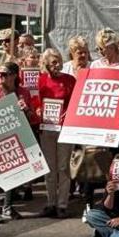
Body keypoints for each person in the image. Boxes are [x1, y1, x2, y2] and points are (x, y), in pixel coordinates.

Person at [0, 61, 37, 223]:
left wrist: (25, 109)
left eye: (4, 74)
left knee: (14, 172)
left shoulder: (23, 92)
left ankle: (8, 207)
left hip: (16, 138)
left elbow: (32, 117)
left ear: (14, 76)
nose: (0, 77)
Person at [35, 48, 75, 218]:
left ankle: (62, 204)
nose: (58, 65)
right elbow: (36, 101)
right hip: (47, 128)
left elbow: (76, 101)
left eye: (59, 61)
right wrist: (37, 110)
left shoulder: (69, 80)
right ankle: (51, 202)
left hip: (65, 128)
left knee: (63, 167)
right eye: (53, 62)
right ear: (46, 64)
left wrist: (68, 112)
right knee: (49, 168)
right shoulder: (41, 80)